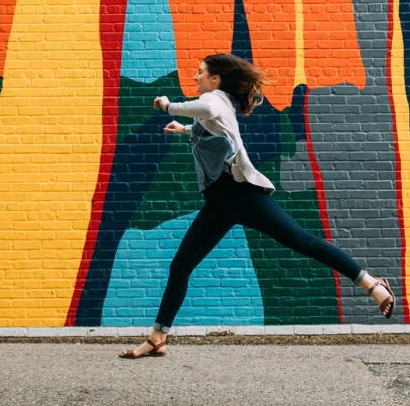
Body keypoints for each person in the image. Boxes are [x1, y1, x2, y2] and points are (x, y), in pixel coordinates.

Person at [119, 53, 394, 359]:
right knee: (181, 265)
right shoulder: (215, 106)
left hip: (243, 196)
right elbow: (213, 132)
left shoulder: (215, 99)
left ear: (215, 79)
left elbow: (209, 108)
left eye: (200, 73)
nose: (195, 77)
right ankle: (158, 337)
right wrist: (183, 129)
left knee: (302, 241)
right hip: (219, 204)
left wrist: (169, 105)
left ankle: (371, 283)